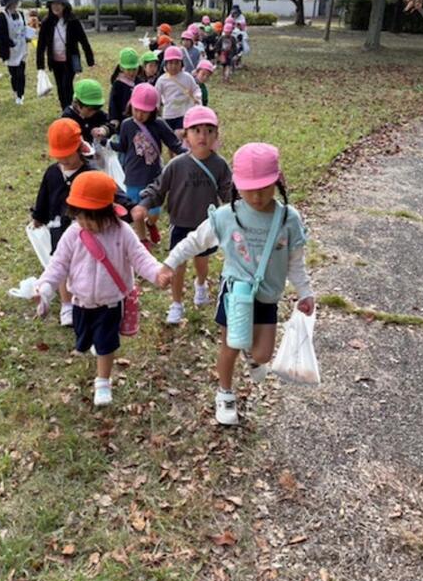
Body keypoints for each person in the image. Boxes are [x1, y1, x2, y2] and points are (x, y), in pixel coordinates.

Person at [157, 143, 315, 426]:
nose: (257, 196)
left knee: (262, 354)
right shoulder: (226, 216)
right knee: (230, 345)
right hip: (236, 294)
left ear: (277, 182)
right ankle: (225, 393)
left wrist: (305, 292)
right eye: (249, 188)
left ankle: (250, 356)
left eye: (264, 187)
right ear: (236, 185)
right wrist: (169, 263)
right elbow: (194, 241)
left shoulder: (288, 219)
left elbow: (295, 262)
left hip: (267, 295)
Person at [34, 171, 165, 407]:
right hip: (81, 301)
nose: (85, 223)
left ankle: (103, 381)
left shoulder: (122, 232)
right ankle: (95, 344)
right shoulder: (73, 233)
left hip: (111, 302)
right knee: (84, 341)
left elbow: (140, 258)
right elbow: (58, 264)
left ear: (107, 211)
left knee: (106, 344)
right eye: (80, 216)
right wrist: (45, 286)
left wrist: (157, 273)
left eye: (91, 218)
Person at [31, 119, 133, 325]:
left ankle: (86, 296)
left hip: (88, 229)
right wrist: (38, 216)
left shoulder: (91, 173)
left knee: (82, 263)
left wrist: (130, 207)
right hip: (59, 226)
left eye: (68, 154)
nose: (64, 159)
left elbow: (111, 191)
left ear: (79, 147)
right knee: (61, 260)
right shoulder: (52, 173)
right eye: (59, 155)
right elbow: (44, 195)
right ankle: (66, 305)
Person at [135, 105, 231, 325]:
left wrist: (242, 199)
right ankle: (176, 303)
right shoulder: (176, 165)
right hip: (180, 223)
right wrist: (144, 204)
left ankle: (200, 284)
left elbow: (228, 191)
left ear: (216, 135)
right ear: (186, 135)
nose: (202, 136)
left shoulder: (219, 165)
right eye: (196, 131)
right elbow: (158, 189)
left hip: (207, 225)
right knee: (178, 264)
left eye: (209, 131)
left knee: (202, 261)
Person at [112, 83, 185, 248]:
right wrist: (107, 143)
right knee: (136, 212)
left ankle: (151, 224)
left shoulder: (159, 124)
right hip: (133, 176)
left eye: (144, 112)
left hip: (154, 177)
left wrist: (189, 153)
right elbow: (123, 146)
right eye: (136, 109)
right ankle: (142, 240)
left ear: (153, 110)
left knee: (154, 212)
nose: (139, 114)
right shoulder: (126, 125)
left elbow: (174, 144)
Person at [36, 0, 95, 110]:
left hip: (70, 60)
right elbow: (41, 45)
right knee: (60, 87)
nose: (56, 7)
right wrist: (40, 65)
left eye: (58, 4)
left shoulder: (73, 21)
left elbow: (83, 40)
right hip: (55, 61)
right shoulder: (47, 22)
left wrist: (90, 59)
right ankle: (65, 110)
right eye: (53, 4)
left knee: (66, 85)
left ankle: (70, 109)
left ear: (64, 5)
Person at [155, 46, 202, 137]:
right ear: (165, 64)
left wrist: (197, 97)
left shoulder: (187, 77)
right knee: (169, 137)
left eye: (177, 63)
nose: (174, 66)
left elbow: (195, 89)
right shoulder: (162, 80)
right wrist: (156, 108)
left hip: (184, 113)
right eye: (170, 63)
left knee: (179, 135)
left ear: (182, 63)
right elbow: (156, 95)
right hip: (169, 114)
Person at [0, 0, 28, 105]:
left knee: (21, 73)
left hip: (22, 48)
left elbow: (24, 28)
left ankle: (20, 95)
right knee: (14, 74)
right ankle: (16, 91)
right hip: (10, 51)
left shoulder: (20, 14)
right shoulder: (2, 16)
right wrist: (9, 42)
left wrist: (28, 36)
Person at [61, 79, 111, 144]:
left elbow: (111, 123)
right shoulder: (68, 119)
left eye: (97, 107)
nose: (93, 112)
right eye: (90, 109)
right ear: (77, 103)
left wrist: (104, 129)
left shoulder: (96, 113)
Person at [108, 48, 140, 131]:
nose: (132, 73)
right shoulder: (118, 84)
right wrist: (114, 118)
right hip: (122, 121)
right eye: (128, 70)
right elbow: (113, 102)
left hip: (139, 119)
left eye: (134, 69)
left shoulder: (140, 82)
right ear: (121, 68)